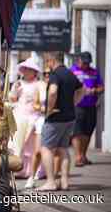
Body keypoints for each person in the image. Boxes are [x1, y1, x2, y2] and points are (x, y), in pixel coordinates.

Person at [37, 52, 84, 191]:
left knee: (46, 148)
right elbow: (82, 89)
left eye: (47, 62)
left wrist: (49, 110)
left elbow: (52, 92)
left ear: (51, 60)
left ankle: (50, 182)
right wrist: (73, 103)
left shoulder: (55, 75)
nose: (47, 65)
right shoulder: (70, 73)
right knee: (63, 149)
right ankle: (64, 182)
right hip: (69, 117)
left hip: (55, 118)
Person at [8, 57, 41, 178]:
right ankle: (17, 168)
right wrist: (15, 91)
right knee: (17, 143)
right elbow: (12, 98)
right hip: (19, 115)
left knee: (30, 145)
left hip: (33, 117)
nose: (26, 71)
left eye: (29, 69)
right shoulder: (18, 83)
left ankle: (30, 170)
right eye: (25, 69)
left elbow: (41, 101)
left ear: (34, 72)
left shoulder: (38, 84)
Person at [70, 52, 104, 167]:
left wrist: (94, 90)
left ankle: (83, 155)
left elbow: (101, 87)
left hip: (91, 106)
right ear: (78, 60)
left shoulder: (94, 72)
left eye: (88, 63)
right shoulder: (72, 71)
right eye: (84, 62)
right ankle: (78, 157)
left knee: (87, 131)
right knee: (77, 132)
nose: (86, 65)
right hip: (77, 106)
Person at [25, 67, 50, 188]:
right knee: (38, 150)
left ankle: (52, 179)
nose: (47, 76)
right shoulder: (39, 85)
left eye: (50, 73)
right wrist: (43, 109)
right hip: (41, 119)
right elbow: (35, 104)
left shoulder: (58, 84)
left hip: (56, 120)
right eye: (45, 73)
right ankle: (31, 177)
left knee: (56, 151)